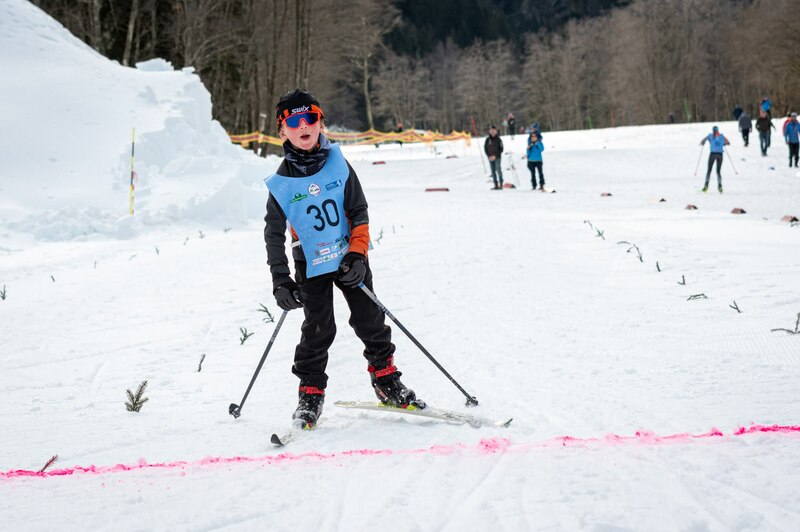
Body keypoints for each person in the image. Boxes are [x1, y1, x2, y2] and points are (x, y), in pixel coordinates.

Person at [263, 89, 421, 428]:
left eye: (310, 118)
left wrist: (358, 254)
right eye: (294, 121)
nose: (303, 126)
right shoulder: (281, 182)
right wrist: (281, 280)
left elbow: (358, 210)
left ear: (321, 123)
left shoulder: (338, 163)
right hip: (310, 262)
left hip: (349, 257)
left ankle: (386, 380)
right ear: (282, 131)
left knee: (370, 319)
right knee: (318, 328)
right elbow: (273, 233)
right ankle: (310, 395)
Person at [699, 125, 730, 193]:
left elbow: (703, 140)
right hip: (720, 155)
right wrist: (723, 144)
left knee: (709, 170)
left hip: (713, 154)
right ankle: (720, 186)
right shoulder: (722, 136)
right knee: (718, 171)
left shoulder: (710, 135)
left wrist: (703, 143)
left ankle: (706, 186)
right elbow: (728, 142)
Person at [484, 125, 504, 189]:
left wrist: (495, 156)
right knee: (492, 171)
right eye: (491, 131)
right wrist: (489, 156)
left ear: (496, 131)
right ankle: (496, 185)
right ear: (489, 131)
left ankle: (501, 184)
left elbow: (501, 149)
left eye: (493, 131)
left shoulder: (499, 140)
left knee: (498, 170)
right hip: (490, 158)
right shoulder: (487, 140)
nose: (492, 132)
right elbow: (485, 148)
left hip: (497, 157)